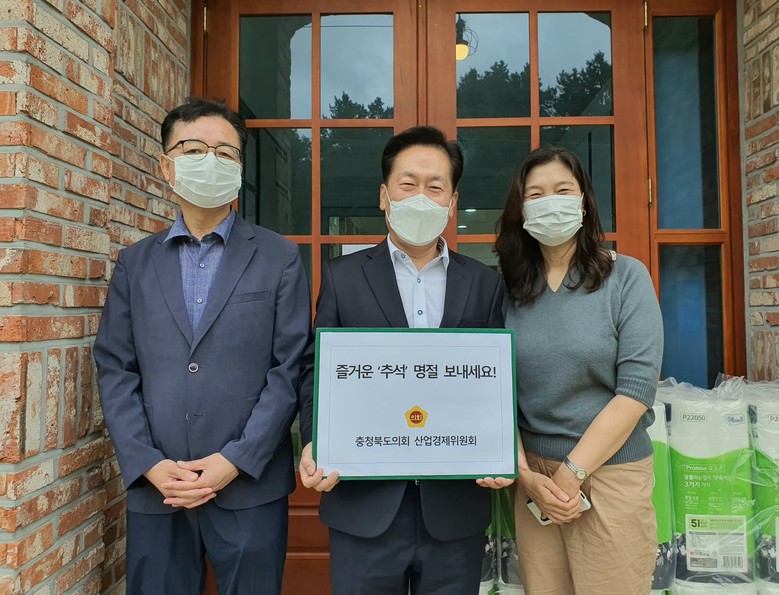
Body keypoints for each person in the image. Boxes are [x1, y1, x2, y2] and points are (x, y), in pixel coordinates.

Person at [93, 97, 311, 595]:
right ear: (165, 165)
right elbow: (116, 368)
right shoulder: (135, 263)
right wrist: (148, 462)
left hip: (249, 484)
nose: (210, 161)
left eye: (225, 153)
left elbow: (289, 369)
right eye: (193, 150)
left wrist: (235, 459)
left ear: (239, 168)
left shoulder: (279, 257)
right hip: (158, 486)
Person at [298, 126, 511, 595]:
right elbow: (317, 369)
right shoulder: (343, 277)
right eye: (407, 184)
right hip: (364, 503)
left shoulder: (484, 283)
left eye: (435, 187)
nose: (420, 197)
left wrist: (498, 445)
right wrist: (316, 439)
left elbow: (494, 380)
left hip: (454, 507)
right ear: (384, 196)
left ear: (452, 202)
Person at [495, 145, 663, 595]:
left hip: (609, 474)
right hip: (534, 481)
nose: (549, 202)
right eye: (535, 194)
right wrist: (525, 474)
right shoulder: (509, 289)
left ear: (584, 201)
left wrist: (571, 474)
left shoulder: (626, 277)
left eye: (562, 190)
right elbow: (494, 388)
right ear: (520, 209)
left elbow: (635, 391)